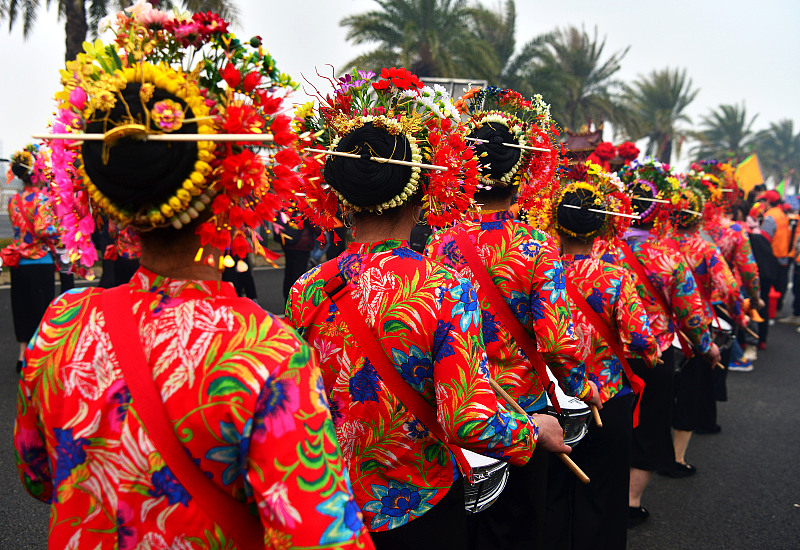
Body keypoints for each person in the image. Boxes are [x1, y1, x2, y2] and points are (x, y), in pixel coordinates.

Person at [15, 10, 371, 549]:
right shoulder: (266, 351)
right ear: (232, 187)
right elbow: (317, 534)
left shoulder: (61, 325)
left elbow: (37, 475)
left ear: (112, 198)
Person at [286, 69, 546, 549]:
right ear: (424, 189)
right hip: (419, 507)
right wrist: (534, 433)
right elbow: (468, 417)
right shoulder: (444, 287)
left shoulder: (306, 288)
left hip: (334, 509)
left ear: (343, 196)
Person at [426, 86, 597, 550]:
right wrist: (582, 385)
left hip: (457, 408)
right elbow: (557, 340)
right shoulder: (536, 247)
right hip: (523, 415)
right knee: (518, 533)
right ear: (521, 174)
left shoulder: (438, 245)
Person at [596, 160, 719, 527]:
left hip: (605, 355)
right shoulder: (669, 257)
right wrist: (706, 346)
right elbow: (690, 311)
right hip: (656, 355)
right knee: (648, 430)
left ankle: (599, 497)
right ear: (658, 214)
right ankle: (632, 503)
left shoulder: (604, 251)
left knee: (606, 429)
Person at [543, 168, 659, 550]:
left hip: (554, 402)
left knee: (557, 496)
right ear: (601, 228)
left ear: (556, 225)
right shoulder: (615, 278)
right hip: (607, 398)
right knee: (605, 495)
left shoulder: (543, 270)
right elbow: (641, 338)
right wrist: (653, 354)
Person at [666, 184, 742, 469]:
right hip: (694, 324)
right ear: (699, 217)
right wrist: (737, 314)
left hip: (658, 328)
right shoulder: (705, 249)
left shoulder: (659, 245)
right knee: (689, 393)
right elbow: (729, 287)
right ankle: (676, 458)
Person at [3, 145, 59, 373]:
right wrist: (60, 229)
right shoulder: (43, 199)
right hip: (39, 262)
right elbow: (43, 229)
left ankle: (21, 355)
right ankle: (40, 357)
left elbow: (20, 228)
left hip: (18, 264)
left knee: (22, 309)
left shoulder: (13, 200)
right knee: (41, 311)